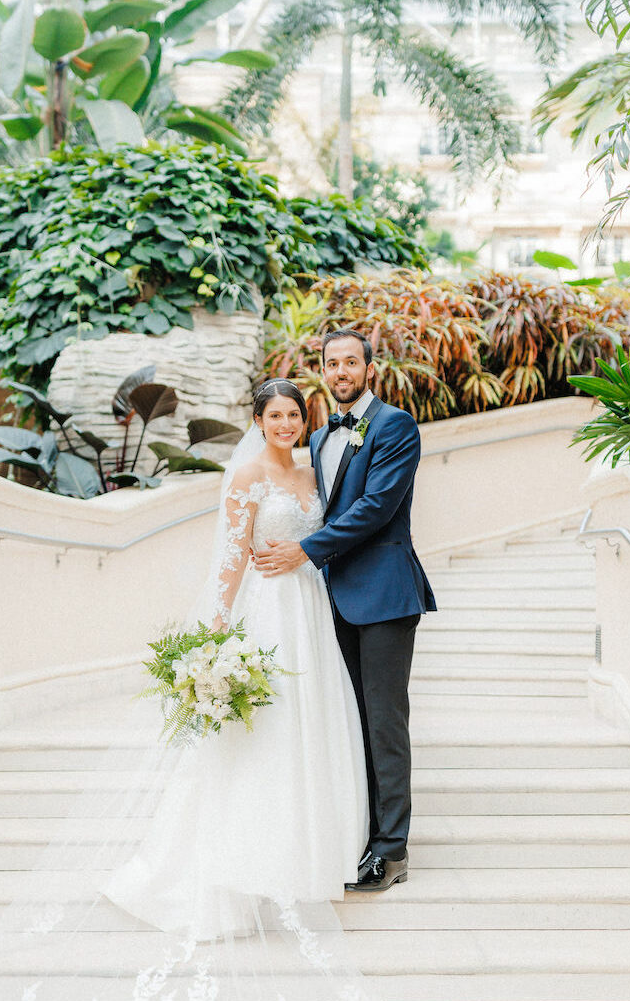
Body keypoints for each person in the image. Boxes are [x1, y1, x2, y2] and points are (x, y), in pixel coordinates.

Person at [101, 377, 370, 936]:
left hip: (313, 609)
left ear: (305, 418)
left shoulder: (315, 473)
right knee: (266, 730)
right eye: (274, 417)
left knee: (311, 723)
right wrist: (218, 625)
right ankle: (241, 858)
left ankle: (310, 853)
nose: (285, 425)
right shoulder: (247, 477)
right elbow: (231, 555)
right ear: (258, 422)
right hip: (269, 608)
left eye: (293, 415)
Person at [254, 330, 436, 892]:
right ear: (323, 371)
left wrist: (305, 550)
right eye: (332, 363)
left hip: (382, 594)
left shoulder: (394, 426)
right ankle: (359, 832)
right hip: (328, 599)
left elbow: (377, 507)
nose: (341, 371)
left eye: (350, 362)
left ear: (369, 368)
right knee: (349, 721)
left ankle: (391, 851)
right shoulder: (318, 440)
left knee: (384, 723)